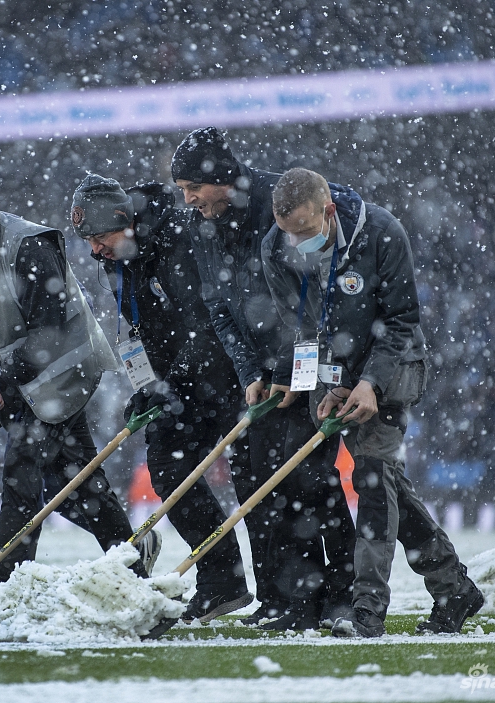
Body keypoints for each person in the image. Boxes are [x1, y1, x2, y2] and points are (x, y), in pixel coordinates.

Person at [261, 167, 484, 638]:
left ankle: (366, 613)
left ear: (328, 211)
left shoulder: (380, 231)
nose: (296, 243)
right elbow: (301, 329)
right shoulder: (274, 248)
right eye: (288, 234)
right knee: (385, 478)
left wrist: (370, 384)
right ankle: (454, 588)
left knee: (372, 479)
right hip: (333, 371)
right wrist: (304, 381)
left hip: (395, 365)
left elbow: (402, 320)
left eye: (305, 231)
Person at [0, 169, 161, 581]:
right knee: (74, 482)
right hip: (16, 377)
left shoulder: (28, 244)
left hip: (61, 372)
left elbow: (48, 332)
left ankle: (4, 575)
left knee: (23, 468)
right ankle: (132, 556)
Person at [172, 127, 356, 630]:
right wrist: (251, 372)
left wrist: (293, 372)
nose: (188, 201)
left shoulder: (279, 205)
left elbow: (312, 303)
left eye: (193, 188)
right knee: (257, 483)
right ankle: (282, 597)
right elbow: (217, 305)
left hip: (307, 369)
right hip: (262, 378)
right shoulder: (202, 222)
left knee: (310, 483)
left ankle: (339, 595)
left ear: (222, 178)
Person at [71, 174, 254, 623]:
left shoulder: (179, 237)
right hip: (179, 380)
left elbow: (204, 324)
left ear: (123, 220)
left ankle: (283, 593)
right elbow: (144, 332)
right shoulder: (117, 259)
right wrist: (148, 384)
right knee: (170, 469)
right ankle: (223, 580)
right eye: (88, 241)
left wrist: (172, 381)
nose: (94, 249)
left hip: (227, 373)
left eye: (99, 237)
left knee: (254, 478)